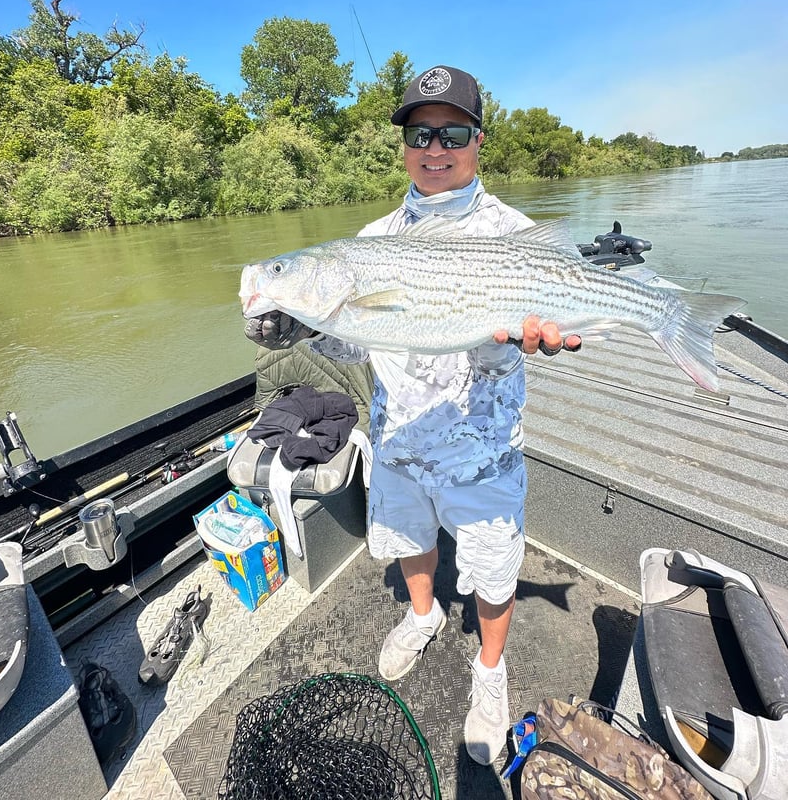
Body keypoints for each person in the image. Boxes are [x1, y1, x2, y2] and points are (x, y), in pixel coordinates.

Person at [245, 65, 580, 766]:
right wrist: (298, 327)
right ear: (404, 144)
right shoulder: (368, 240)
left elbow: (554, 326)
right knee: (410, 544)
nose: (436, 147)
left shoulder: (514, 233)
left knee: (492, 572)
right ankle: (421, 614)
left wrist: (548, 337)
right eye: (420, 132)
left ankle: (490, 672)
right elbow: (348, 338)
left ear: (478, 140)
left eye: (452, 131)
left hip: (480, 452)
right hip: (398, 439)